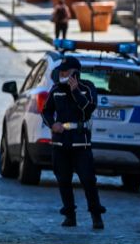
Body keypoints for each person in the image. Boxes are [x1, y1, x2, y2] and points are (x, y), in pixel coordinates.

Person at [41, 56, 105, 229]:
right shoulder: (56, 89)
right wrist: (52, 124)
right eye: (61, 71)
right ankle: (70, 215)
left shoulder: (87, 88)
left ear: (75, 72)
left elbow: (89, 110)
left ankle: (96, 215)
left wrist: (75, 91)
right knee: (63, 180)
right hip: (60, 143)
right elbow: (46, 112)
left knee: (88, 179)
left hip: (80, 143)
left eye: (66, 71)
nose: (62, 74)